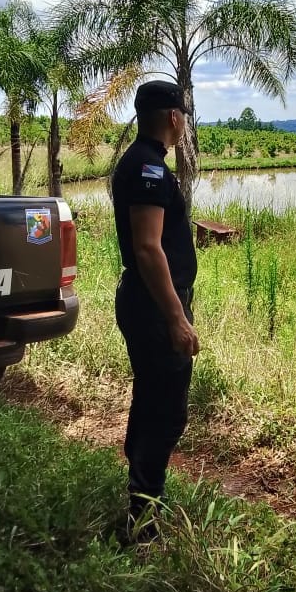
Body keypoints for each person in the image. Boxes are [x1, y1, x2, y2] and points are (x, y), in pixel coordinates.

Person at [111, 80, 200, 541]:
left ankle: (143, 496)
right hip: (153, 306)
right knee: (164, 410)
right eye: (183, 114)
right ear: (173, 117)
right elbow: (148, 250)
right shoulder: (147, 168)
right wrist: (176, 318)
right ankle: (143, 515)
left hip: (148, 302)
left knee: (152, 399)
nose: (183, 122)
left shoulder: (142, 161)